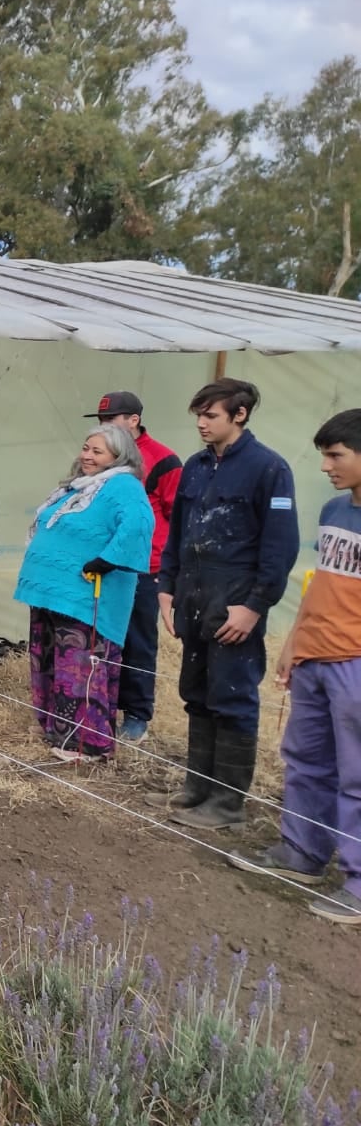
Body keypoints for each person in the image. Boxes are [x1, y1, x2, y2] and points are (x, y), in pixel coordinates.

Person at [227, 409, 361, 925]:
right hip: (315, 655)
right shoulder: (333, 510)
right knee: (305, 758)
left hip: (354, 664)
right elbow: (320, 585)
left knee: (357, 773)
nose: (326, 465)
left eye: (336, 455)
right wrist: (293, 644)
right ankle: (302, 852)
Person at [152, 379, 300, 831]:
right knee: (196, 693)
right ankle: (198, 786)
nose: (201, 423)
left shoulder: (268, 468)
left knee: (232, 696)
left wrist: (255, 606)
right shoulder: (196, 466)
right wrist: (166, 586)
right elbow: (179, 532)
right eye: (198, 414)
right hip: (194, 593)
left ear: (240, 415)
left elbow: (281, 547)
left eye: (210, 415)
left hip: (235, 597)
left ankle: (227, 804)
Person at [13, 424, 154, 763]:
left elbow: (138, 524)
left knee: (78, 666)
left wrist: (107, 560)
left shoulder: (123, 485)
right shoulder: (80, 486)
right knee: (50, 660)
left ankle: (86, 744)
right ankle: (55, 728)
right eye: (86, 448)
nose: (87, 456)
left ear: (118, 457)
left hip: (87, 594)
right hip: (54, 593)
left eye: (97, 451)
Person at [86, 391, 181, 744]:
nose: (103, 427)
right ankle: (103, 705)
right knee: (104, 638)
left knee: (139, 640)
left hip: (143, 568)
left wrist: (168, 567)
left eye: (110, 421)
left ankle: (138, 713)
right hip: (103, 563)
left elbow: (177, 516)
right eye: (100, 421)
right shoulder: (103, 456)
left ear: (133, 420)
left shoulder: (164, 460)